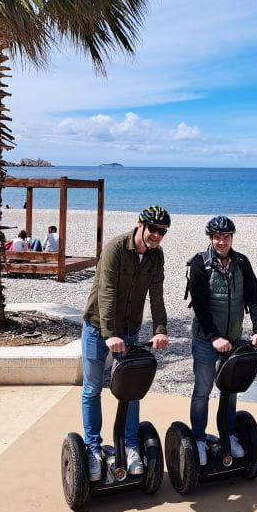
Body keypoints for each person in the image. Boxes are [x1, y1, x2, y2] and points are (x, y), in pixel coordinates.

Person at [81, 206, 171, 481]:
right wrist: (109, 335)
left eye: (162, 231)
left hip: (130, 331)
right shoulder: (115, 250)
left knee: (131, 391)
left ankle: (131, 445)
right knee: (93, 388)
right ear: (140, 225)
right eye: (152, 229)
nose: (156, 235)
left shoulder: (156, 257)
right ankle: (93, 448)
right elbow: (106, 292)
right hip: (98, 327)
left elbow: (156, 294)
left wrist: (160, 329)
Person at [187, 215, 257, 465]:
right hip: (205, 340)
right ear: (210, 239)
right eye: (217, 237)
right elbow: (199, 304)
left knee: (230, 391)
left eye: (226, 237)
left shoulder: (242, 262)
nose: (222, 242)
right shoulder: (200, 263)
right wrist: (213, 337)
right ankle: (199, 438)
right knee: (202, 391)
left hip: (233, 339)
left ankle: (228, 435)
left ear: (232, 238)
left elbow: (254, 296)